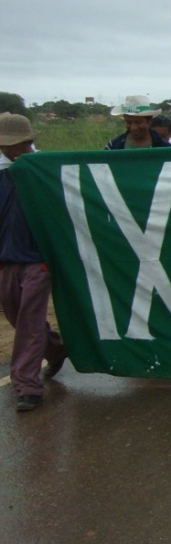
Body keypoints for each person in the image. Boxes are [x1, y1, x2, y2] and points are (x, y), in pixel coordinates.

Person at [0, 114, 66, 411]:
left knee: (28, 320)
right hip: (7, 259)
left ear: (28, 142)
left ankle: (27, 385)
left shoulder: (43, 170)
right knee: (18, 316)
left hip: (38, 259)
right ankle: (57, 349)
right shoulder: (2, 174)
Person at [105, 95, 170, 150]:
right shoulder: (113, 147)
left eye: (138, 122)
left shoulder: (165, 147)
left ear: (149, 121)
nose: (133, 128)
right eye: (129, 122)